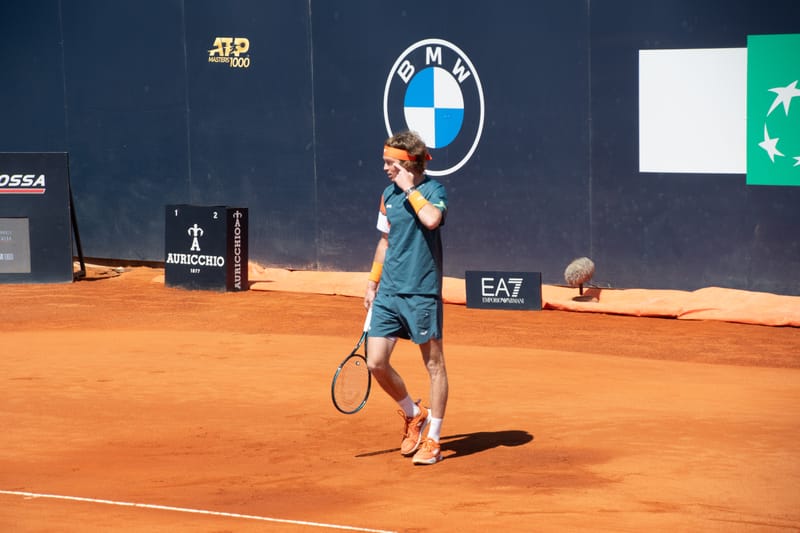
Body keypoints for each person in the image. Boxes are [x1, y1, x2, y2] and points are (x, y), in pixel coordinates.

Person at [364, 130, 449, 466]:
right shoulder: (386, 194)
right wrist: (372, 283)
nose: (385, 168)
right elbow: (385, 242)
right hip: (389, 292)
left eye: (391, 163)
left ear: (408, 163)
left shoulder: (432, 190)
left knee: (434, 365)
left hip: (421, 292)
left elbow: (432, 219)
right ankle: (414, 414)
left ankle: (434, 440)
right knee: (375, 362)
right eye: (385, 162)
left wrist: (410, 190)